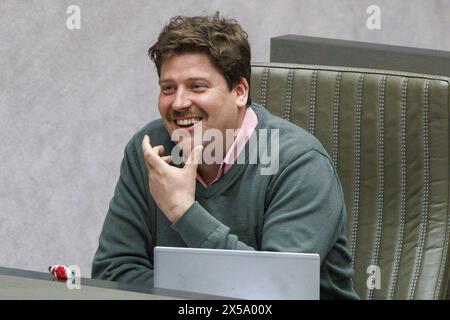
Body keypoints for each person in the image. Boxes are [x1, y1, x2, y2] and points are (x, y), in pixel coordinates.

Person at [91, 13, 359, 299]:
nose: (179, 103)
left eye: (197, 86)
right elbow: (113, 272)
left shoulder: (300, 164)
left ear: (240, 92)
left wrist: (183, 211)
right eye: (168, 88)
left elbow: (275, 292)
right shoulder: (148, 150)